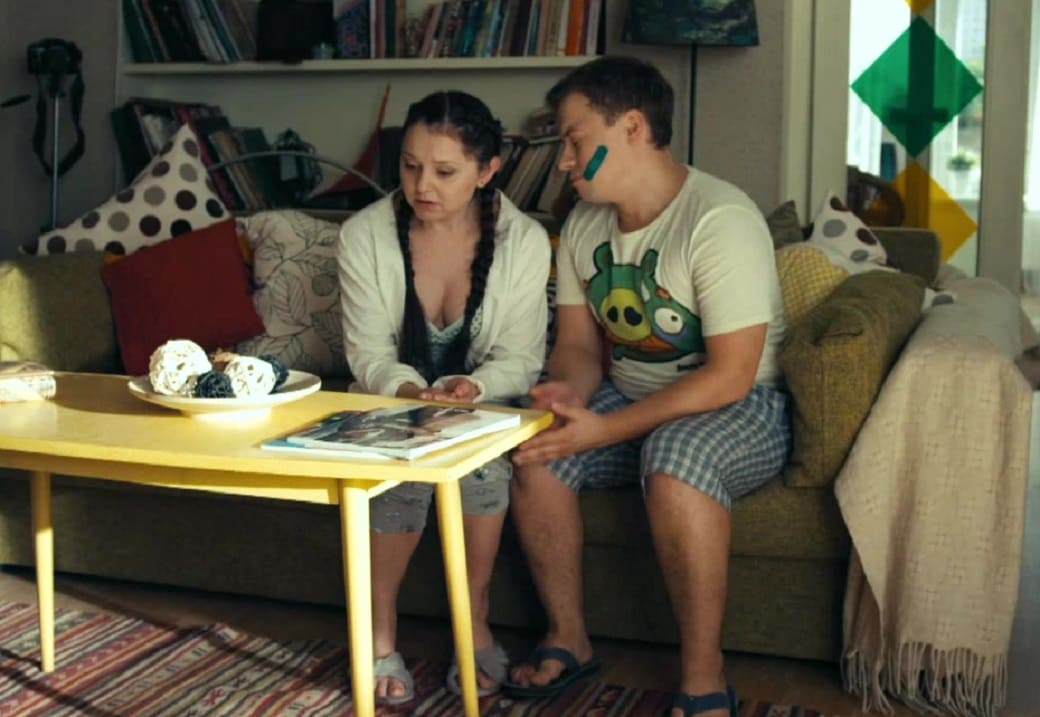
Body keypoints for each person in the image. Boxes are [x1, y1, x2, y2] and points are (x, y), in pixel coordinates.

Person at [503, 57, 790, 717]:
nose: (564, 161)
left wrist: (604, 429)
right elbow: (578, 349)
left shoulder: (719, 218)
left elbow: (731, 374)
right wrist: (567, 397)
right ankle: (568, 638)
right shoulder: (584, 225)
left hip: (740, 403)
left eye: (574, 140)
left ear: (632, 128)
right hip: (630, 397)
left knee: (674, 458)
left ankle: (703, 676)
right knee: (535, 449)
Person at [337, 90, 551, 704]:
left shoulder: (524, 241)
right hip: (390, 404)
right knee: (399, 472)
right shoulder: (364, 235)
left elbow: (521, 358)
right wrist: (411, 392)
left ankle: (472, 621)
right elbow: (368, 355)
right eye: (409, 166)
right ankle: (378, 632)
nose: (421, 185)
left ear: (487, 172)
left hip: (482, 407)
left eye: (444, 171)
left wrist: (471, 389)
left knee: (481, 467)